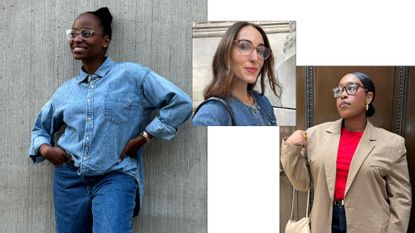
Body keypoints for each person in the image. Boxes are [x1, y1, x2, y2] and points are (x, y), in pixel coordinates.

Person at [28, 7, 192, 233]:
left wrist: (144, 137)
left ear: (105, 41)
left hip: (115, 176)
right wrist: (46, 149)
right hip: (69, 181)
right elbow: (40, 129)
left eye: (86, 33)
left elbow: (180, 102)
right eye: (73, 33)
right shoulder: (65, 91)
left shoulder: (132, 75)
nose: (77, 38)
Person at [281, 72, 411, 233]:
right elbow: (302, 184)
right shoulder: (316, 135)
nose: (342, 95)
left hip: (370, 225)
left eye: (350, 88)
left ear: (368, 97)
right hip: (324, 223)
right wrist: (290, 149)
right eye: (339, 91)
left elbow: (401, 199)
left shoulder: (392, 143)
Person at [192, 21, 281, 126]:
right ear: (226, 52)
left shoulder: (263, 102)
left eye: (260, 50)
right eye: (244, 46)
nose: (255, 58)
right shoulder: (212, 113)